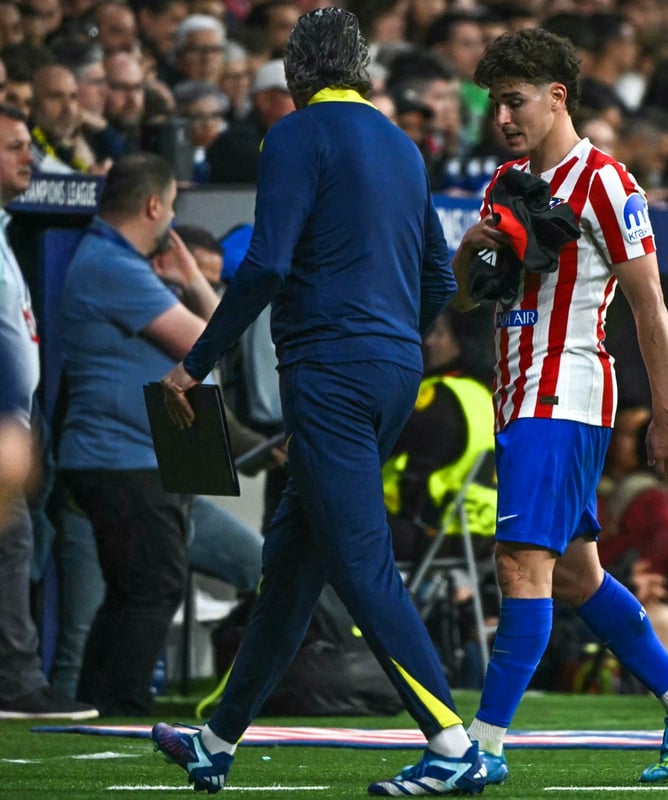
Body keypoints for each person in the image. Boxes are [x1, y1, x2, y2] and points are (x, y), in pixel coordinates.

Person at [149, 9, 485, 797]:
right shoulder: (402, 145)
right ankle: (215, 740)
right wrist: (389, 341)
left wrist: (196, 363)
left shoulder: (295, 135)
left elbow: (266, 265)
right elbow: (439, 279)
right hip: (395, 368)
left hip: (329, 370)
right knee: (293, 569)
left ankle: (452, 744)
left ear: (297, 74)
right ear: (360, 68)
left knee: (361, 562)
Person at [422, 27, 668, 788]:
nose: (502, 118)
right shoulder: (505, 182)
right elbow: (468, 298)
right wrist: (469, 248)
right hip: (519, 392)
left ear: (557, 97)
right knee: (575, 577)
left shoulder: (607, 182)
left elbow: (650, 305)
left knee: (521, 564)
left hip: (566, 389)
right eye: (495, 105)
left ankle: (483, 747)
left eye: (514, 101)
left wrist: (667, 412)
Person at [57, 153, 221, 716]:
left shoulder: (117, 262)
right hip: (119, 456)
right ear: (153, 205)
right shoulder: (113, 265)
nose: (172, 218)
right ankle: (121, 705)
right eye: (171, 206)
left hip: (128, 455)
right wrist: (193, 282)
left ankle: (99, 703)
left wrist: (189, 280)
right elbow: (207, 344)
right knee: (153, 585)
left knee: (134, 588)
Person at [0, 104, 97, 721]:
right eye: (13, 146)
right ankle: (16, 682)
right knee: (12, 545)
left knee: (18, 546)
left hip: (18, 423)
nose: (28, 157)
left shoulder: (6, 231)